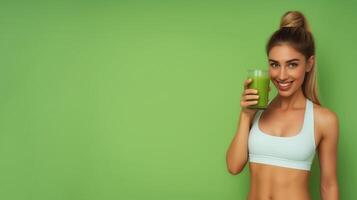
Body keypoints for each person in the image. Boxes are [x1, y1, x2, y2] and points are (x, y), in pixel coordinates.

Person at [226, 11, 339, 200]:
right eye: (275, 64)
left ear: (309, 64)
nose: (282, 75)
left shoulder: (324, 120)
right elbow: (234, 166)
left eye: (292, 65)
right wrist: (245, 114)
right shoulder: (257, 110)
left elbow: (328, 185)